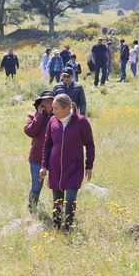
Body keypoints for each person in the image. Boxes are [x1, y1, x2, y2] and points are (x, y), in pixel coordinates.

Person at [40, 94, 95, 232]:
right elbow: (47, 145)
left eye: (56, 108)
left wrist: (89, 165)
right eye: (53, 108)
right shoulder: (52, 121)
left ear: (67, 108)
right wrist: (44, 166)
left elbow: (89, 144)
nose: (53, 112)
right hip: (55, 168)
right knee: (57, 201)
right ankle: (57, 227)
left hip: (74, 168)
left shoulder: (81, 122)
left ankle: (68, 229)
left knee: (70, 200)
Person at [24, 91, 55, 213]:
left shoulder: (58, 116)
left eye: (50, 100)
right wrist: (40, 115)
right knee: (36, 185)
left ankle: (57, 211)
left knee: (57, 186)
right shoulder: (33, 116)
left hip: (55, 157)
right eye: (45, 101)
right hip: (37, 157)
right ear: (40, 104)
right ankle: (32, 210)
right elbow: (30, 132)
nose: (47, 103)